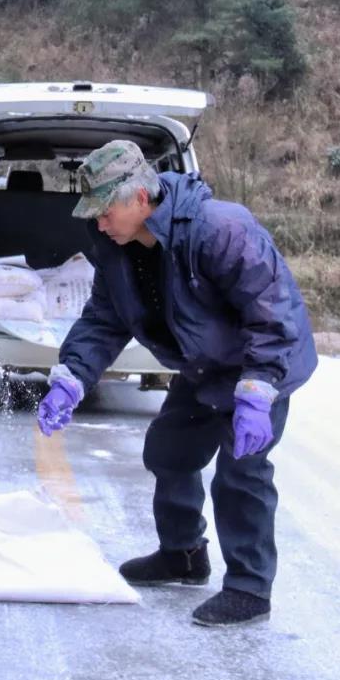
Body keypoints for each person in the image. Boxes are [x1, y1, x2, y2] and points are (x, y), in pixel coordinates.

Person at [38, 140, 316, 627]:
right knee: (168, 451)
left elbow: (272, 315)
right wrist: (72, 377)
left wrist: (257, 390)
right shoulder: (115, 244)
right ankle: (183, 555)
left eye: (105, 212)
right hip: (203, 364)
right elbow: (105, 317)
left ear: (140, 199)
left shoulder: (221, 229)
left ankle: (249, 588)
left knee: (242, 473)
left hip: (258, 368)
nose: (98, 223)